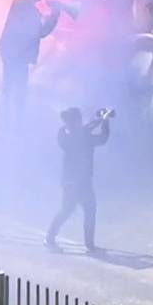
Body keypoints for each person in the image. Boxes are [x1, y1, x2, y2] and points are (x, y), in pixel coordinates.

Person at [0, 0, 61, 132]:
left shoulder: (20, 2)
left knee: (9, 86)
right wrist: (55, 15)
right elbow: (41, 32)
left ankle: (6, 120)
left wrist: (51, 16)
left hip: (12, 51)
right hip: (17, 54)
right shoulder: (26, 8)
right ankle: (15, 123)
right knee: (18, 88)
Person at [45, 106, 111, 253]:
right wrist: (102, 120)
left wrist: (102, 121)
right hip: (73, 182)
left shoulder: (72, 134)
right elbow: (98, 137)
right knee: (68, 210)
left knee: (87, 210)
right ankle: (50, 239)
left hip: (82, 181)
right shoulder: (69, 136)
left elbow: (101, 138)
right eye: (75, 119)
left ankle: (89, 244)